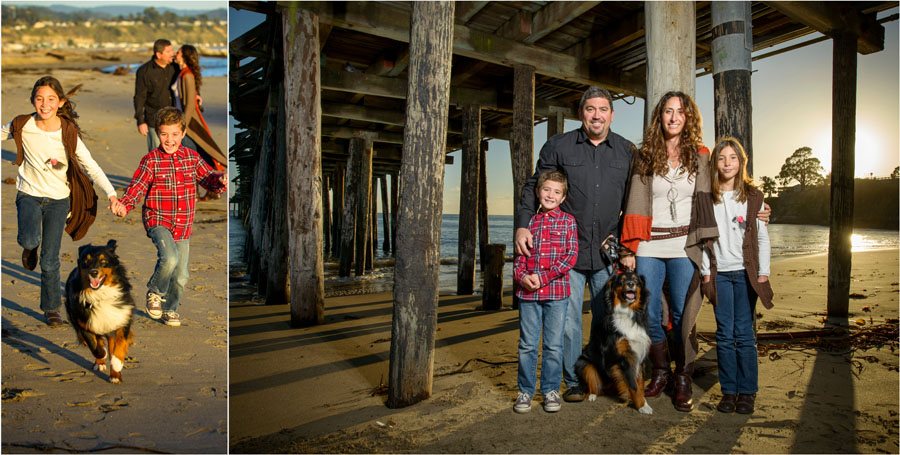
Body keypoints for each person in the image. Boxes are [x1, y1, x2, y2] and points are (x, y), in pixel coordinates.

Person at [514, 86, 635, 403]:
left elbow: (635, 201)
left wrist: (625, 241)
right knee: (567, 325)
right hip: (566, 252)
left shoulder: (626, 151)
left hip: (607, 251)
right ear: (581, 113)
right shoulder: (559, 145)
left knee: (606, 320)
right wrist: (522, 225)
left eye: (603, 109)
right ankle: (575, 381)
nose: (597, 115)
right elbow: (534, 185)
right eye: (590, 109)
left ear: (611, 113)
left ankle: (604, 376)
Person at [620, 90, 717, 412]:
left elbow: (723, 191)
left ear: (688, 118)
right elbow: (633, 200)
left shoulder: (701, 155)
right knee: (647, 311)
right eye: (667, 111)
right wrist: (629, 247)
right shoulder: (646, 154)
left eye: (680, 112)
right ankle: (660, 372)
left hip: (684, 246)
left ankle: (683, 376)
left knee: (682, 313)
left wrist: (758, 205)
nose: (674, 117)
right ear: (659, 117)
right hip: (649, 243)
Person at [3, 76, 119, 326]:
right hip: (29, 194)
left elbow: (90, 165)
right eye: (39, 98)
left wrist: (111, 193)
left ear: (60, 102)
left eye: (51, 99)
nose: (44, 104)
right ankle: (29, 247)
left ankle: (52, 308)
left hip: (58, 200)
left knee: (50, 258)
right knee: (29, 239)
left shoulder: (67, 131)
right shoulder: (22, 124)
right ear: (33, 100)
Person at [112, 107, 227, 327]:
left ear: (183, 134)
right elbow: (137, 186)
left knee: (181, 276)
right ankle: (155, 292)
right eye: (164, 134)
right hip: (158, 220)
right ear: (157, 133)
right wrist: (125, 205)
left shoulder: (192, 158)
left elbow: (208, 179)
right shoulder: (151, 160)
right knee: (170, 259)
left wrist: (220, 181)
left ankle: (169, 309)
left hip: (183, 225)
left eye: (175, 134)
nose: (169, 139)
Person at [700, 137, 774, 415]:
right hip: (720, 274)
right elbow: (703, 240)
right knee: (723, 333)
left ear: (741, 162)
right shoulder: (708, 197)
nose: (727, 163)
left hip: (745, 275)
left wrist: (763, 273)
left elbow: (763, 238)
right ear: (714, 164)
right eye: (721, 158)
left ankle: (748, 392)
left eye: (733, 158)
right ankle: (728, 392)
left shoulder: (754, 196)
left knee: (743, 334)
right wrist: (706, 273)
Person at [512, 170, 579, 414]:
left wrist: (543, 277)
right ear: (538, 192)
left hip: (557, 294)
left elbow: (569, 258)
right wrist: (523, 278)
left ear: (563, 198)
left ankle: (550, 389)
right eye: (546, 190)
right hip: (528, 295)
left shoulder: (568, 222)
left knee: (553, 346)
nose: (551, 195)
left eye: (557, 192)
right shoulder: (527, 222)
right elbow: (518, 259)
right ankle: (525, 391)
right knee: (527, 345)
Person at [172, 44, 227, 200]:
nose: (176, 54)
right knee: (196, 156)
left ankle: (200, 191)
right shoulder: (181, 73)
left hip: (189, 124)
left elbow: (189, 104)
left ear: (185, 56)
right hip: (183, 121)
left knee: (192, 157)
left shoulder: (187, 75)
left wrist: (182, 126)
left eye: (178, 52)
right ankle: (212, 188)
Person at [134, 38, 177, 152]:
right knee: (156, 154)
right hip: (154, 120)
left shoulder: (175, 67)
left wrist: (197, 94)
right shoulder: (144, 71)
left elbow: (189, 79)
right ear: (159, 54)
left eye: (172, 51)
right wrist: (140, 121)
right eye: (168, 52)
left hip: (175, 119)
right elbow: (139, 96)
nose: (172, 54)